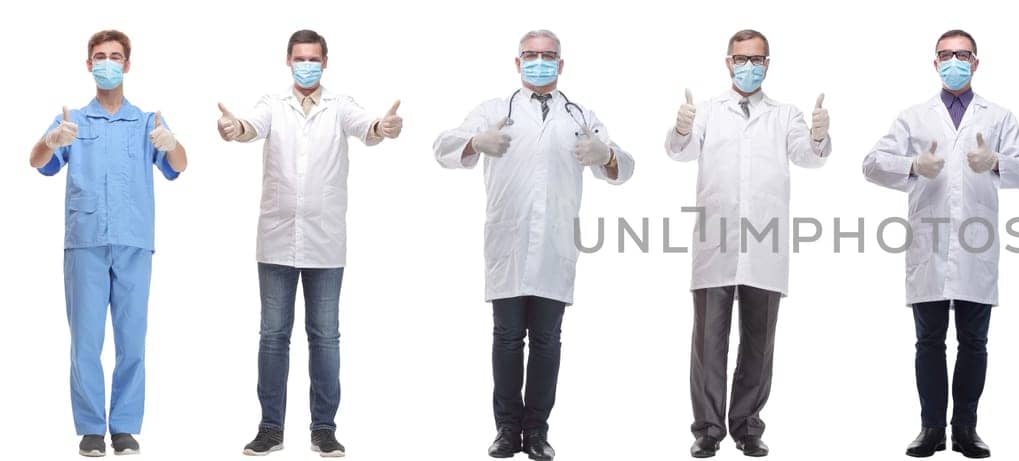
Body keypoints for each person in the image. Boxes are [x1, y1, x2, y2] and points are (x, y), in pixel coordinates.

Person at [432, 29, 634, 461]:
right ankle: (506, 432)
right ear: (517, 61)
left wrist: (608, 156)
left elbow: (624, 166)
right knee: (506, 338)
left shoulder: (580, 115)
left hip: (554, 245)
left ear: (561, 65)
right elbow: (442, 147)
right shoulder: (493, 111)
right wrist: (474, 142)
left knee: (546, 341)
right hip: (508, 241)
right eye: (531, 54)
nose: (539, 61)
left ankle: (537, 433)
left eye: (548, 56)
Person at [217, 29, 404, 458]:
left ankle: (324, 429)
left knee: (325, 337)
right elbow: (249, 127)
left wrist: (383, 125)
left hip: (324, 242)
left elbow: (367, 126)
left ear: (325, 62)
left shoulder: (340, 106)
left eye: (314, 58)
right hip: (277, 239)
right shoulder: (272, 105)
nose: (307, 65)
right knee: (273, 336)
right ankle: (270, 428)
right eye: (299, 58)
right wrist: (234, 127)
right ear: (288, 61)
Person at [862, 29, 1019, 460]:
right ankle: (929, 430)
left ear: (976, 63)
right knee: (929, 343)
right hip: (930, 243)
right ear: (934, 63)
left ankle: (965, 429)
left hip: (977, 245)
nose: (954, 61)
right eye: (946, 55)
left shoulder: (997, 117)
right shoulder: (913, 117)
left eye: (963, 55)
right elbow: (871, 165)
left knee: (975, 343)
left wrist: (996, 161)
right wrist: (912, 165)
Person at [665, 28, 830, 459]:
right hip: (714, 245)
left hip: (764, 246)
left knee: (759, 342)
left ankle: (747, 425)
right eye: (741, 59)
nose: (749, 67)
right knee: (708, 343)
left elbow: (809, 158)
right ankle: (707, 429)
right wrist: (680, 129)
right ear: (728, 62)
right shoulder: (706, 111)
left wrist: (817, 135)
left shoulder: (785, 114)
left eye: (757, 60)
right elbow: (679, 153)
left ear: (768, 64)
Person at [29, 29, 189, 458]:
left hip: (134, 241)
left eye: (115, 56)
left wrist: (173, 145)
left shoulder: (147, 121)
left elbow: (179, 165)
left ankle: (123, 426)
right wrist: (50, 141)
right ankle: (89, 429)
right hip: (85, 241)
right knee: (84, 341)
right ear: (88, 64)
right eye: (100, 56)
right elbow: (37, 162)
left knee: (132, 339)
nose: (107, 62)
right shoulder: (72, 120)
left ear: (127, 65)